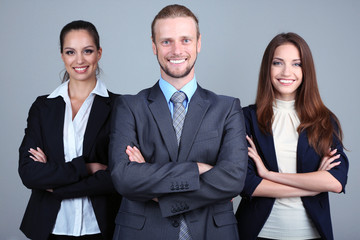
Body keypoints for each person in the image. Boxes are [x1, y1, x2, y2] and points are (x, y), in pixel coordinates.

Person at [109, 4, 248, 240]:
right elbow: (124, 178)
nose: (176, 50)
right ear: (154, 46)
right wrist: (199, 169)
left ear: (198, 43)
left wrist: (150, 178)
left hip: (212, 233)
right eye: (166, 41)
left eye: (185, 40)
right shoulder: (129, 106)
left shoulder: (227, 108)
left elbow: (234, 179)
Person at [235, 32, 349, 240]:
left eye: (296, 64)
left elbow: (335, 181)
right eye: (278, 63)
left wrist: (270, 175)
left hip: (312, 234)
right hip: (258, 233)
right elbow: (246, 184)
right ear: (267, 68)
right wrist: (312, 188)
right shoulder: (245, 118)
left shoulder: (323, 120)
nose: (287, 72)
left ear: (306, 71)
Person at [18, 20, 121, 240]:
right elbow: (29, 173)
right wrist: (86, 167)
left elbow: (118, 176)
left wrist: (57, 185)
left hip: (102, 228)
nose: (80, 60)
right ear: (62, 55)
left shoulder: (120, 107)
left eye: (88, 51)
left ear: (99, 53)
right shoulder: (43, 107)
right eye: (70, 52)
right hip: (48, 229)